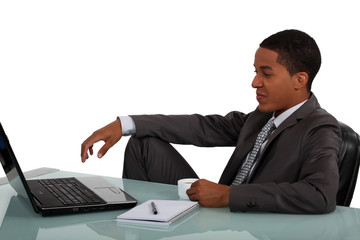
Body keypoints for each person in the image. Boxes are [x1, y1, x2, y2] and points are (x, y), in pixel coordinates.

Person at [81, 29, 341, 214]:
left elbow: (320, 195)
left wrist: (229, 196)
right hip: (217, 210)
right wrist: (125, 124)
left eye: (266, 73)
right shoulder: (262, 116)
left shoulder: (319, 127)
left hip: (247, 222)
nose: (255, 82)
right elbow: (203, 127)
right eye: (255, 71)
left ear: (299, 79)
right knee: (143, 143)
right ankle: (140, 226)